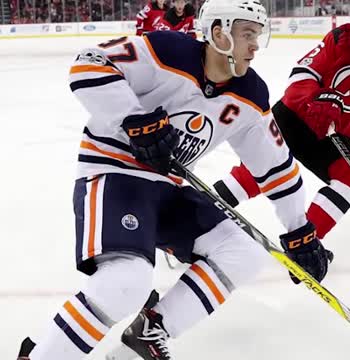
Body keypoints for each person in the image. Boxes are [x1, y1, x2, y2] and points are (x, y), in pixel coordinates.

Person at [15, 0, 333, 359]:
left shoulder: (251, 95)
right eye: (247, 34)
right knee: (128, 280)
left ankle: (148, 334)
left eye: (258, 35)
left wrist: (299, 230)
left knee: (242, 253)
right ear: (219, 34)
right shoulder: (168, 50)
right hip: (114, 171)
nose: (255, 45)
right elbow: (88, 63)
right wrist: (133, 120)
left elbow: (277, 168)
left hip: (168, 187)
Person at [212, 0, 350, 242]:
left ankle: (307, 244)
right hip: (292, 117)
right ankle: (194, 218)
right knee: (257, 175)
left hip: (327, 135)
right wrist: (314, 99)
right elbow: (302, 72)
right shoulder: (343, 37)